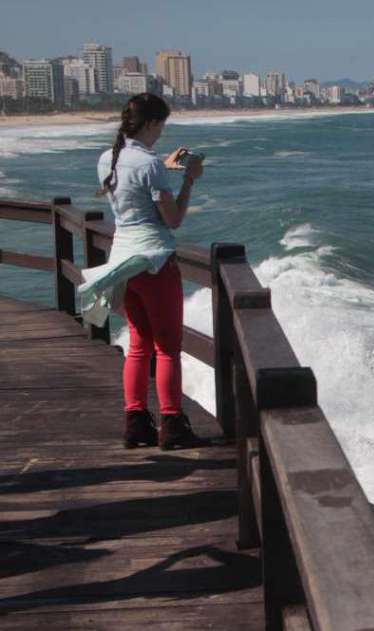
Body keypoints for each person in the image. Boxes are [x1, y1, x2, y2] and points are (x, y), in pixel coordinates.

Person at [85, 92, 208, 450]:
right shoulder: (150, 165)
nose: (161, 135)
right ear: (152, 123)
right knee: (168, 347)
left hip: (122, 262)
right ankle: (172, 424)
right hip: (154, 261)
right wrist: (189, 180)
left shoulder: (108, 158)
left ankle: (136, 421)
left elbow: (132, 184)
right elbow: (174, 220)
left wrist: (161, 167)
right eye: (161, 127)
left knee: (139, 344)